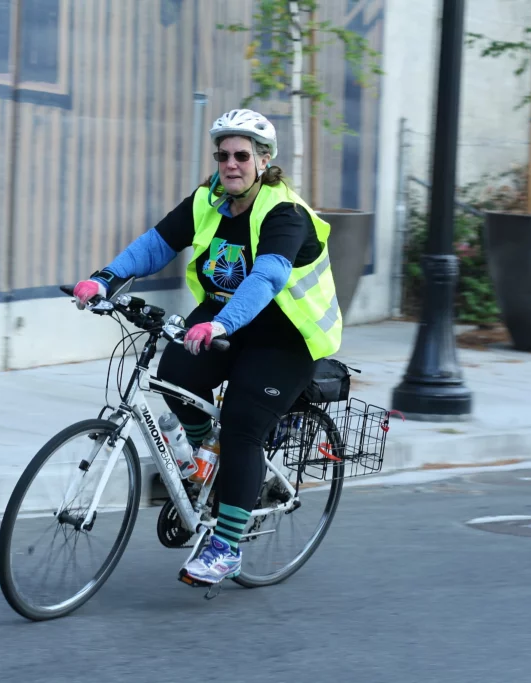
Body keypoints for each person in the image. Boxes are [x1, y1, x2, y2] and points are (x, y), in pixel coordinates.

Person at [72, 108, 342, 585]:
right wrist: (105, 279)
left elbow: (269, 275)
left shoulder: (284, 212)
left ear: (264, 160)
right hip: (224, 321)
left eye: (241, 155)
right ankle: (204, 455)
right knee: (173, 376)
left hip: (285, 335)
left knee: (241, 425)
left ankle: (226, 547)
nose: (230, 164)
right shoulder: (207, 201)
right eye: (223, 155)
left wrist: (221, 324)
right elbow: (156, 244)